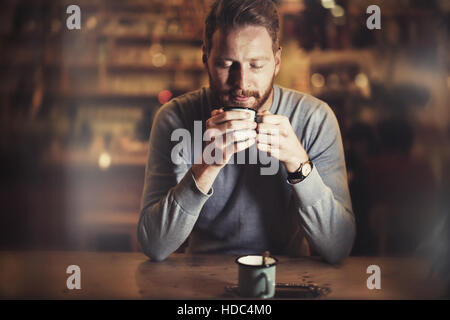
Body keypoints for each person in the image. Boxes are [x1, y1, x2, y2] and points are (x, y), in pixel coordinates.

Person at [138, 0, 355, 264]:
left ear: (276, 62)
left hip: (288, 276)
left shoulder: (314, 118)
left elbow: (338, 246)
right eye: (226, 64)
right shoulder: (174, 119)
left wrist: (299, 165)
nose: (241, 83)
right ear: (205, 57)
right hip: (199, 277)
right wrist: (206, 166)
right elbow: (154, 245)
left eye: (256, 65)